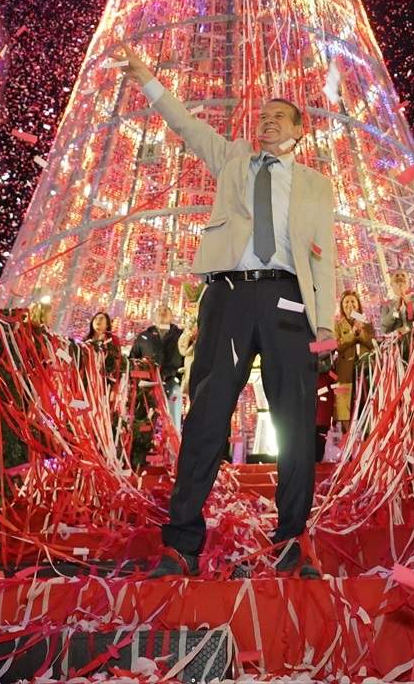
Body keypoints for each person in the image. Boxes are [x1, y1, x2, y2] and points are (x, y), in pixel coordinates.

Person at [115, 43, 337, 580]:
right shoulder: (233, 158)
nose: (265, 123)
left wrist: (325, 323)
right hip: (229, 296)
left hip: (288, 301)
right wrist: (147, 79)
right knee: (208, 415)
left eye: (277, 117)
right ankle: (182, 542)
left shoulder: (314, 184)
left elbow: (323, 254)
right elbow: (186, 125)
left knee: (294, 422)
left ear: (299, 130)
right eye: (262, 117)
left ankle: (291, 542)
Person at [330, 291, 376, 433]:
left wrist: (360, 331)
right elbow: (335, 344)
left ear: (359, 305)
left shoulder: (367, 325)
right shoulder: (337, 326)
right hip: (344, 372)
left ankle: (369, 435)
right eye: (346, 303)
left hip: (365, 371)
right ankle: (347, 439)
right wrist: (352, 334)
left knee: (367, 403)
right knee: (344, 407)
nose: (350, 305)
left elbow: (372, 344)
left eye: (353, 302)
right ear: (342, 307)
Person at [131, 303, 186, 399]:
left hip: (172, 383)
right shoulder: (144, 336)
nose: (162, 312)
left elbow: (187, 359)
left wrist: (180, 379)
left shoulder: (181, 335)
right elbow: (133, 359)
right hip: (146, 384)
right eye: (159, 310)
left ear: (172, 316)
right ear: (154, 316)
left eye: (166, 310)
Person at [83, 311, 123, 383]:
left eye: (101, 318)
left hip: (105, 380)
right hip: (87, 378)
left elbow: (118, 359)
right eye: (95, 318)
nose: (97, 321)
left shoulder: (113, 340)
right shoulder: (86, 340)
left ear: (107, 324)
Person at [378, 269, 414, 340]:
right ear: (391, 283)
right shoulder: (386, 306)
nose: (400, 277)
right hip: (399, 344)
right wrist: (395, 309)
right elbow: (385, 328)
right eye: (396, 275)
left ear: (409, 282)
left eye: (403, 275)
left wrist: (408, 304)